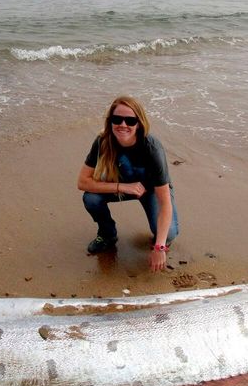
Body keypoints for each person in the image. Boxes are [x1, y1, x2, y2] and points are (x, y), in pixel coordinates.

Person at [77, 95, 179, 272]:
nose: (123, 125)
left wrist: (159, 248)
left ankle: (161, 238)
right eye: (117, 119)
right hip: (124, 187)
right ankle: (107, 235)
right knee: (91, 198)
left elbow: (165, 202)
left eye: (130, 120)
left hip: (152, 190)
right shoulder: (102, 141)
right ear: (110, 121)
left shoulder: (152, 147)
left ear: (138, 123)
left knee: (167, 234)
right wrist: (122, 187)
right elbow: (82, 182)